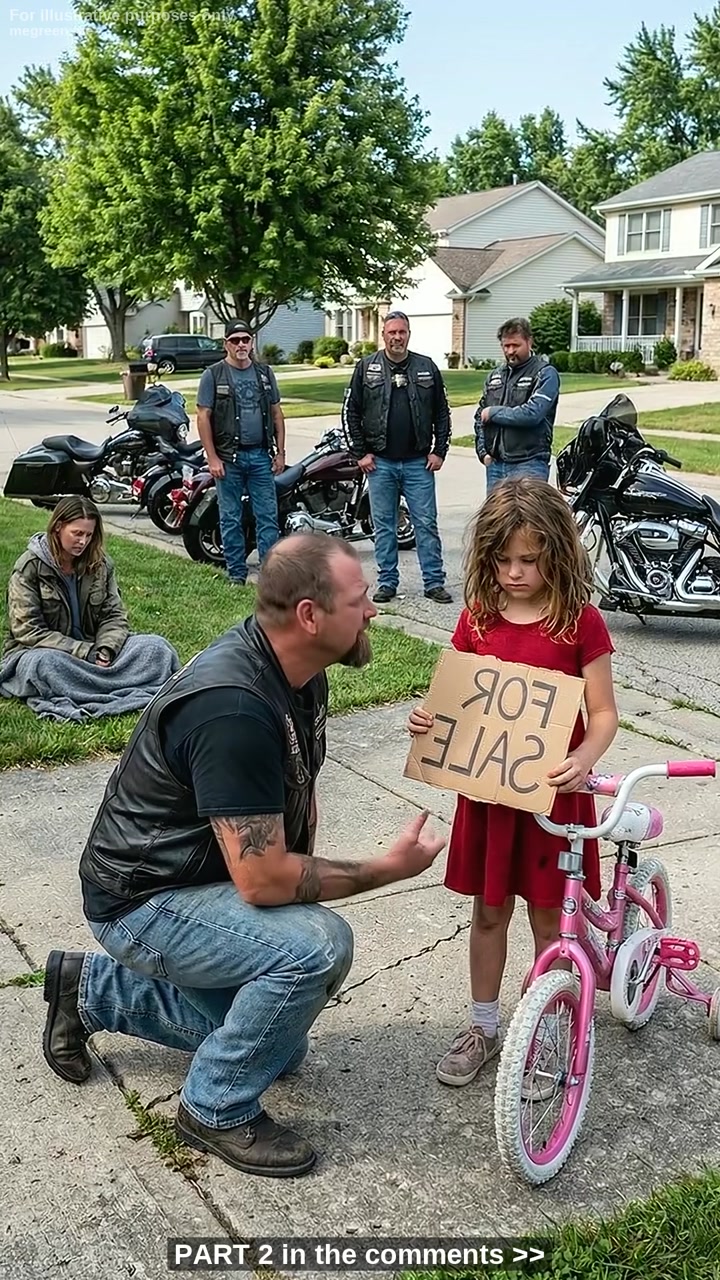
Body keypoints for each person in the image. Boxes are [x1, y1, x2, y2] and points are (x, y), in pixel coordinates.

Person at [41, 534, 446, 1177]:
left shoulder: (298, 671)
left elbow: (295, 801)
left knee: (277, 1047)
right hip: (142, 902)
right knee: (315, 946)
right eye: (360, 598)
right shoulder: (233, 707)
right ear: (310, 615)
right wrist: (385, 870)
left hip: (196, 885)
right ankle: (214, 1108)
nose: (373, 610)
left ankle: (87, 990)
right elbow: (262, 880)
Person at [407, 477, 618, 1086]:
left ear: (558, 551)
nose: (515, 572)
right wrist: (429, 717)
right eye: (502, 560)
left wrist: (584, 755)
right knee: (490, 911)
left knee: (551, 919)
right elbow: (453, 701)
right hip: (491, 798)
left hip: (555, 798)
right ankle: (482, 1024)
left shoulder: (580, 623)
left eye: (529, 559)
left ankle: (547, 1028)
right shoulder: (476, 619)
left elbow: (603, 714)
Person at [1, 496, 179, 720]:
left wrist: (105, 649)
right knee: (42, 665)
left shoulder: (101, 564)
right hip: (48, 652)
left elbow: (114, 615)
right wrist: (83, 652)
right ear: (58, 527)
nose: (83, 541)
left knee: (157, 647)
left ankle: (90, 684)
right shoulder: (29, 567)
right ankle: (112, 683)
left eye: (88, 535)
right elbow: (28, 631)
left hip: (95, 651)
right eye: (77, 533)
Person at [342, 309, 453, 605]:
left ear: (408, 334)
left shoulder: (426, 367)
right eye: (392, 332)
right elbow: (350, 411)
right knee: (384, 525)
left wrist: (440, 450)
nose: (397, 337)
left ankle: (434, 582)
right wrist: (360, 453)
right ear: (383, 335)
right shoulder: (367, 368)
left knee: (426, 523)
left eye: (401, 332)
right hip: (381, 463)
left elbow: (442, 412)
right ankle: (387, 582)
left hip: (419, 462)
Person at [196, 319, 286, 585]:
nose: (241, 345)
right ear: (226, 344)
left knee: (268, 516)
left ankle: (269, 575)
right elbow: (203, 417)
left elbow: (277, 413)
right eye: (235, 341)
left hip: (260, 456)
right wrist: (212, 457)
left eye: (245, 340)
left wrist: (280, 452)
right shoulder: (213, 375)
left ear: (251, 342)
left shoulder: (264, 373)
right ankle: (236, 573)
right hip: (228, 458)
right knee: (230, 517)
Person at [474, 318, 560, 493]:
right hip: (496, 466)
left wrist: (494, 412)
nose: (510, 351)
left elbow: (533, 413)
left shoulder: (545, 373)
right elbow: (479, 416)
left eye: (516, 345)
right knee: (497, 520)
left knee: (528, 519)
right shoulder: (495, 376)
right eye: (506, 346)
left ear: (529, 341)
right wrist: (483, 452)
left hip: (529, 464)